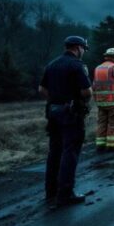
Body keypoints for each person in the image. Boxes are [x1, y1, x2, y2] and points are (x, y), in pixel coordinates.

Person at [38, 35, 92, 208]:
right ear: (77, 47)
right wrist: (73, 100)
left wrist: (56, 99)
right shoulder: (77, 65)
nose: (83, 51)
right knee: (70, 151)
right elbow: (86, 92)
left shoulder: (52, 64)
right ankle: (66, 193)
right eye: (83, 48)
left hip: (53, 112)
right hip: (70, 113)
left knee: (54, 151)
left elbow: (41, 89)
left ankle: (50, 191)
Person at [93, 48, 114, 152]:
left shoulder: (98, 68)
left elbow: (94, 86)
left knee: (102, 123)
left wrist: (97, 99)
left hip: (101, 102)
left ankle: (100, 144)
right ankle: (112, 145)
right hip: (113, 102)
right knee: (113, 123)